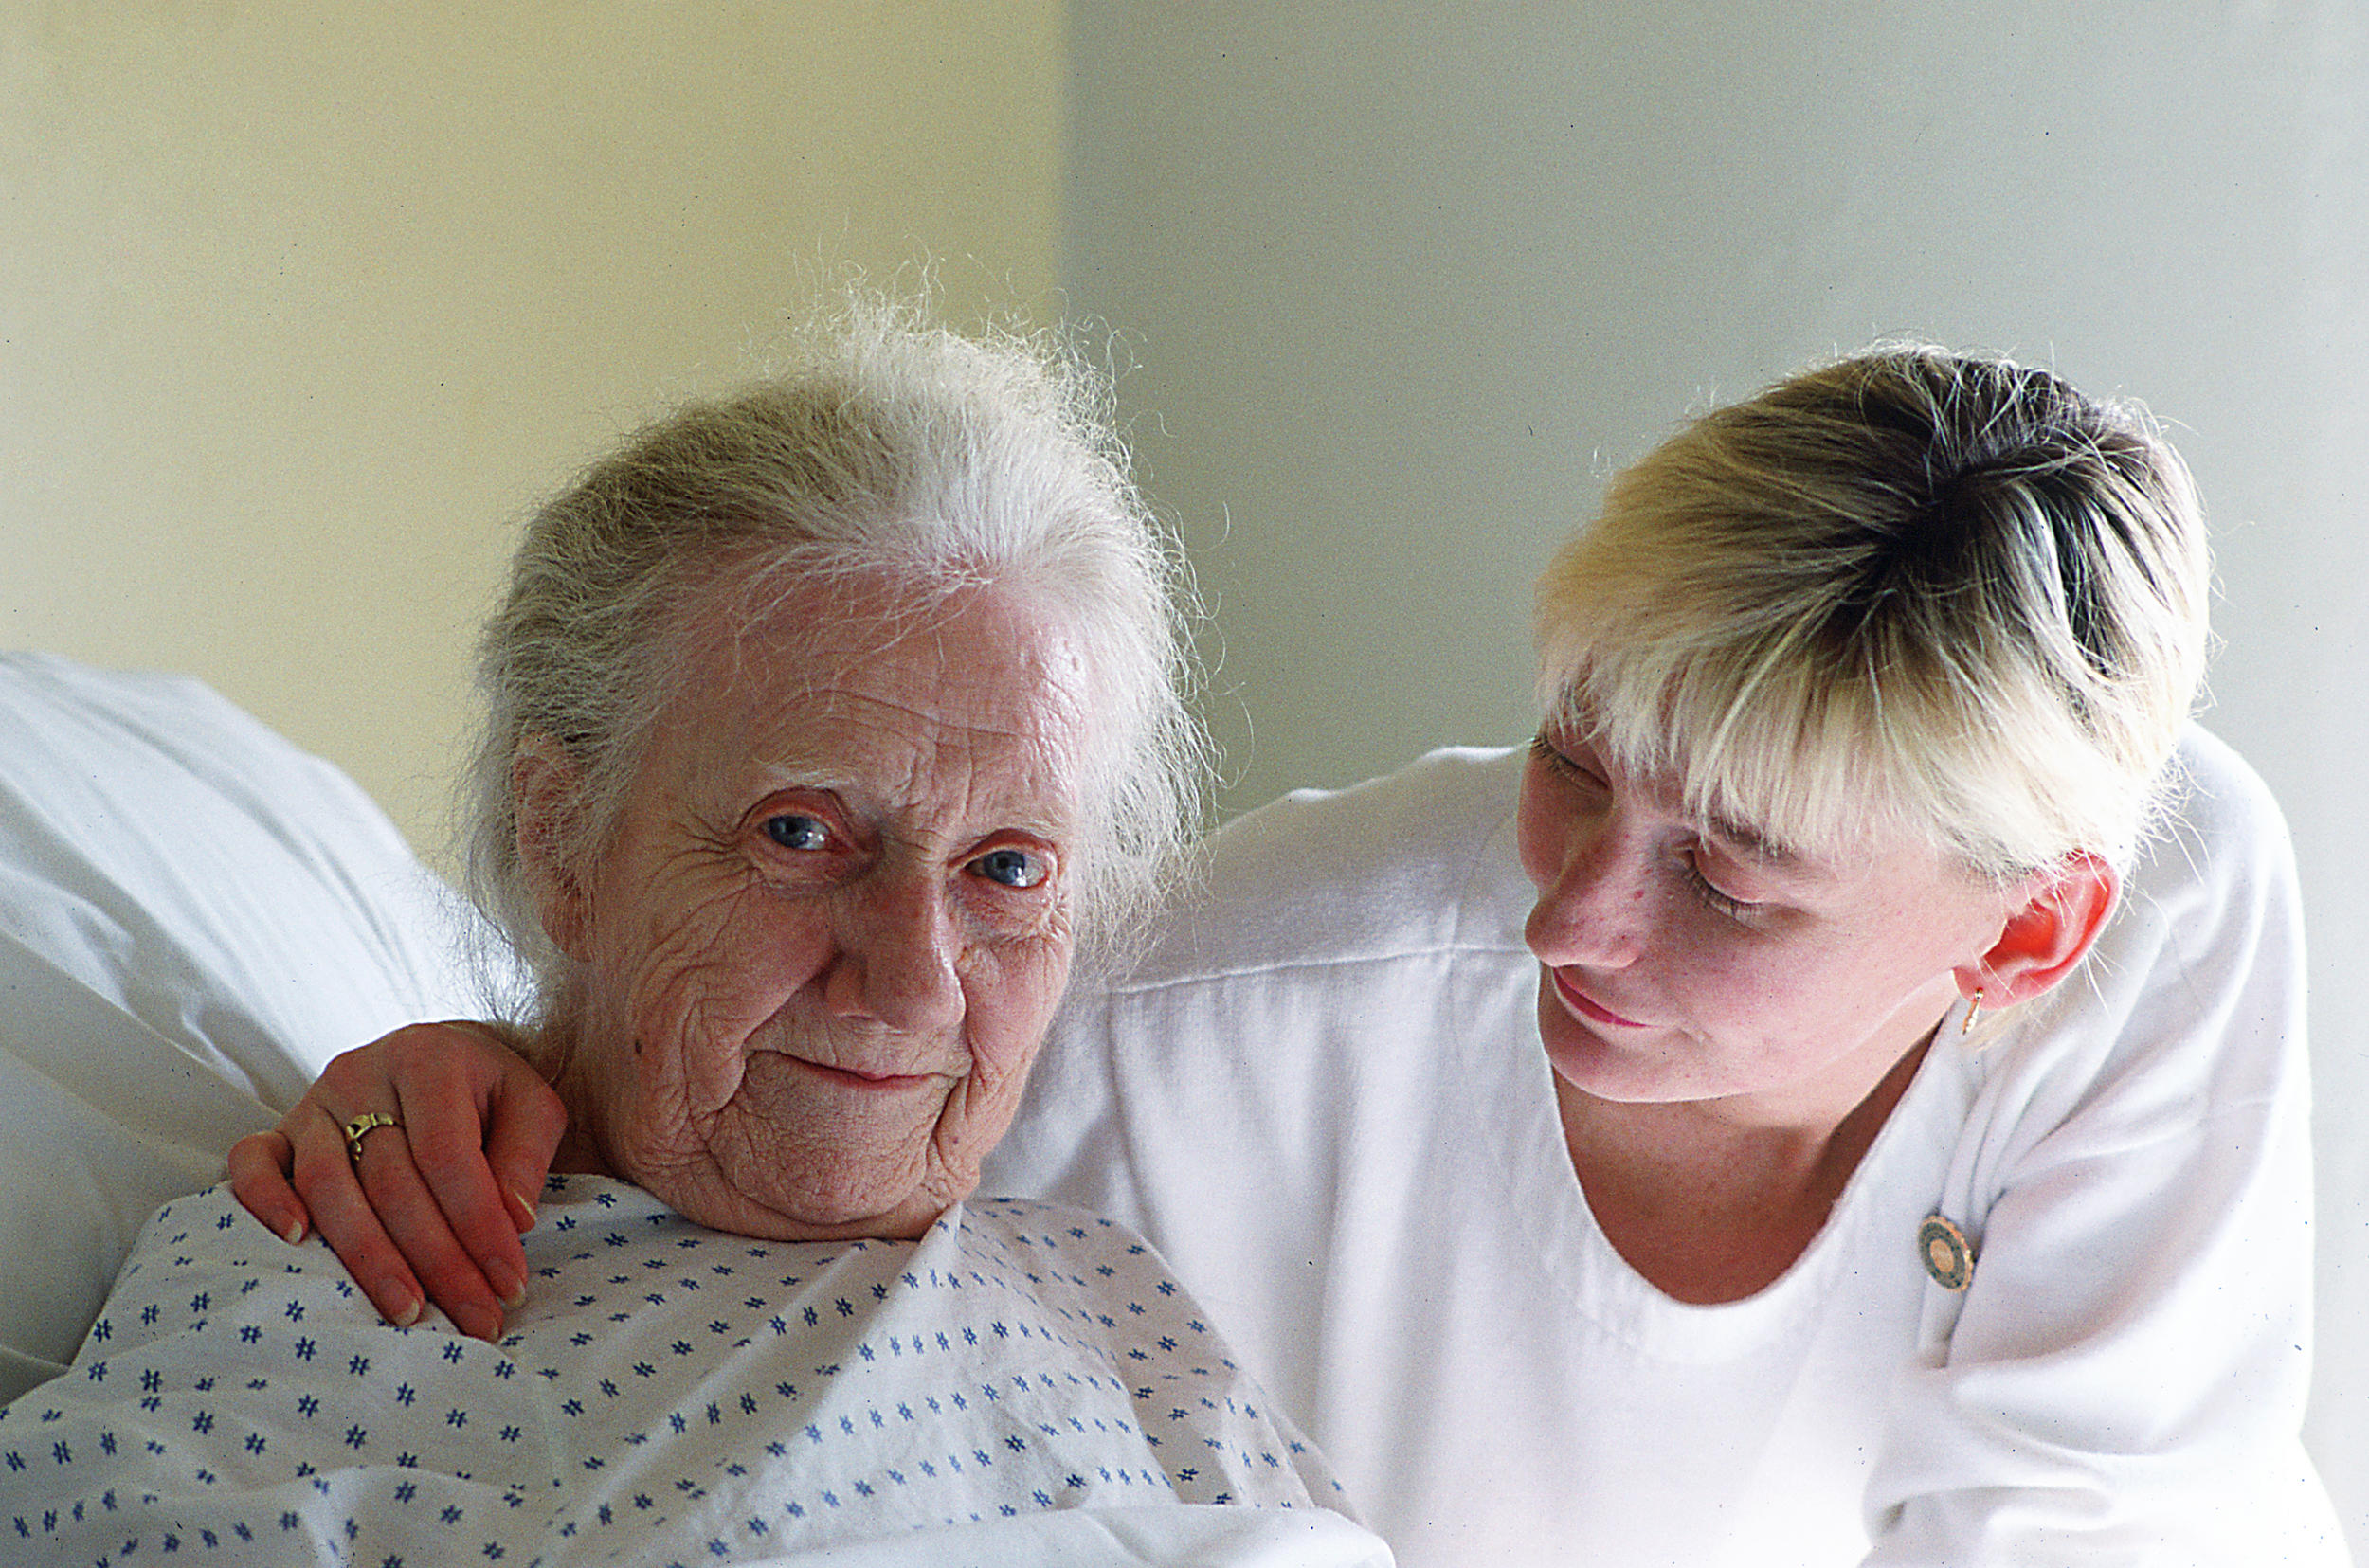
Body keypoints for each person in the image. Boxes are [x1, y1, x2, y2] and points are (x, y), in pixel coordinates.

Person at [224, 346, 2343, 1564]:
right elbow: (821, 1063)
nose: (1575, 916)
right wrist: (476, 1048)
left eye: (1732, 883)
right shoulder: (1221, 1000)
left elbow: (2090, 1522)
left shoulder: (2156, 903)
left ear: (2030, 922)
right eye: (1573, 767)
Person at [0, 302, 1389, 1567]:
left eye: (1008, 866)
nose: (911, 987)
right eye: (800, 834)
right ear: (563, 841)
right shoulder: (326, 1277)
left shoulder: (1115, 1298)